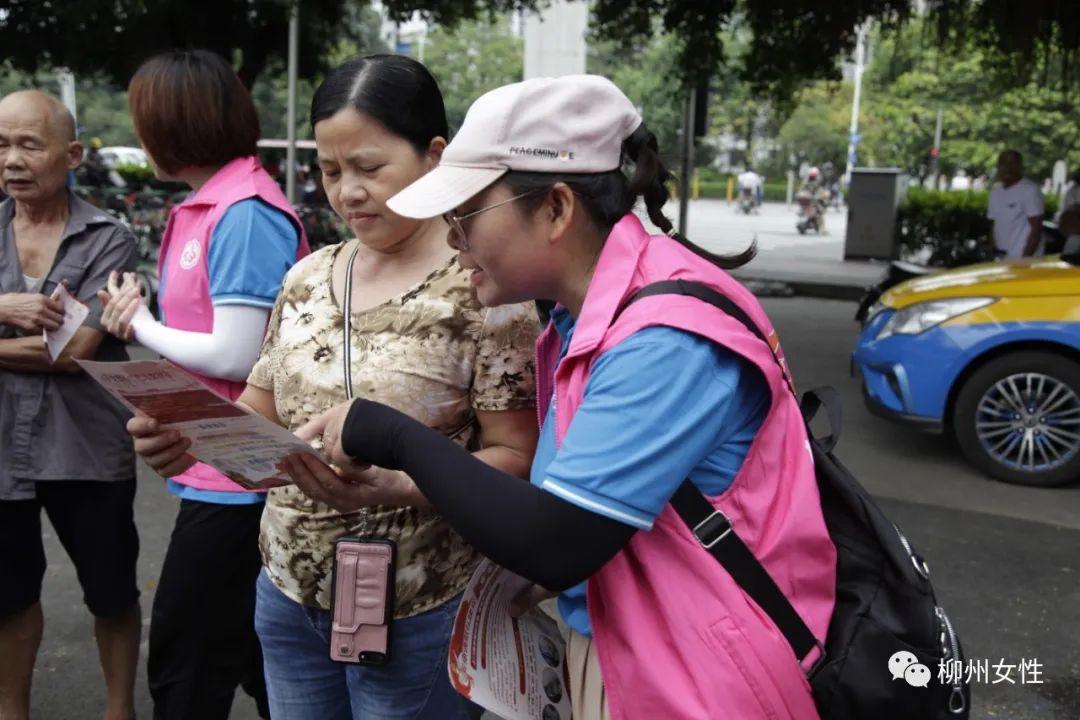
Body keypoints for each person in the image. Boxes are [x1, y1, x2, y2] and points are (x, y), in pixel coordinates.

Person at [283, 75, 836, 720]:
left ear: (555, 209)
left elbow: (557, 541)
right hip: (643, 641)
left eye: (465, 215)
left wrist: (393, 435)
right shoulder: (586, 317)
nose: (452, 238)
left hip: (698, 673)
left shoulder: (663, 341)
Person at [124, 54, 541, 720]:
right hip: (289, 592)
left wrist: (407, 483)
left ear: (435, 155)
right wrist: (189, 437)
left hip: (422, 602)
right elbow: (255, 414)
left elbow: (515, 459)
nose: (347, 192)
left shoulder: (485, 289)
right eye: (330, 170)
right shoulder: (307, 278)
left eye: (370, 168)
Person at [97, 50, 310, 720]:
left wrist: (140, 326)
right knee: (252, 657)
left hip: (241, 472)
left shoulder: (245, 211)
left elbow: (239, 352)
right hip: (217, 465)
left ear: (177, 125)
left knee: (187, 666)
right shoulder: (212, 203)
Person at [0, 90, 140, 720]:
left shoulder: (107, 238)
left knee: (110, 592)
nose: (12, 159)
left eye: (29, 144)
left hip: (85, 446)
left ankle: (118, 709)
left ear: (72, 154)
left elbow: (74, 350)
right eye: (1, 145)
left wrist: (39, 341)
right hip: (1, 451)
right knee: (7, 596)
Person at [986, 149, 1044, 258]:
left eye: (1012, 163)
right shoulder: (995, 193)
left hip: (1024, 262)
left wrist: (1025, 259)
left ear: (1020, 166)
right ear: (998, 167)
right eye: (1003, 163)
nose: (1008, 168)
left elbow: (1036, 229)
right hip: (1001, 260)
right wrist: (993, 254)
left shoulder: (1030, 191)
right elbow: (994, 226)